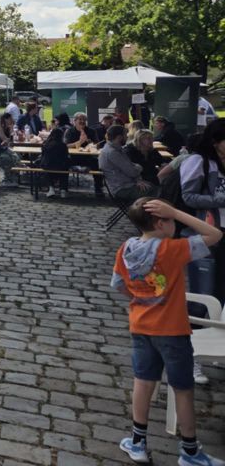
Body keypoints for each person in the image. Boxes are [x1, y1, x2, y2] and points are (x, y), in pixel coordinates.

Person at [111, 198, 223, 466]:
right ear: (161, 223)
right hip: (172, 331)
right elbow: (214, 234)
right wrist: (177, 212)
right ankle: (190, 451)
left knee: (143, 382)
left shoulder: (126, 249)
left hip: (141, 327)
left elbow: (118, 284)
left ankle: (137, 442)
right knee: (182, 389)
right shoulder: (173, 250)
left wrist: (140, 298)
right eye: (170, 220)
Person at [178, 119, 225, 352]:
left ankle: (217, 344)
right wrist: (219, 200)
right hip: (207, 231)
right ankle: (192, 348)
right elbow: (189, 197)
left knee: (222, 292)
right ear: (216, 141)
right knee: (202, 293)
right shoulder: (199, 162)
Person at [99, 125, 156, 204]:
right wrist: (139, 168)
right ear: (119, 137)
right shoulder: (113, 152)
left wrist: (138, 179)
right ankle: (140, 211)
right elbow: (132, 171)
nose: (127, 137)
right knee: (156, 192)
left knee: (154, 187)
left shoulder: (114, 149)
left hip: (126, 184)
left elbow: (130, 167)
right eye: (125, 135)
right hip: (122, 189)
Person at [66, 112, 106, 198]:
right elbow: (66, 145)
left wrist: (91, 144)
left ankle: (98, 188)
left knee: (97, 163)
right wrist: (80, 142)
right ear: (75, 121)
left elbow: (97, 144)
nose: (82, 121)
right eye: (80, 119)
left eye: (84, 120)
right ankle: (63, 188)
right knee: (63, 162)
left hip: (88, 157)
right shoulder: (69, 131)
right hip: (73, 157)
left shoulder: (91, 131)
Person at [40, 127, 71, 199]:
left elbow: (43, 155)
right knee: (65, 168)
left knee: (47, 167)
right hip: (60, 166)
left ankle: (51, 188)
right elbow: (66, 156)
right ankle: (63, 190)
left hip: (47, 166)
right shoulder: (63, 145)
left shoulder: (45, 144)